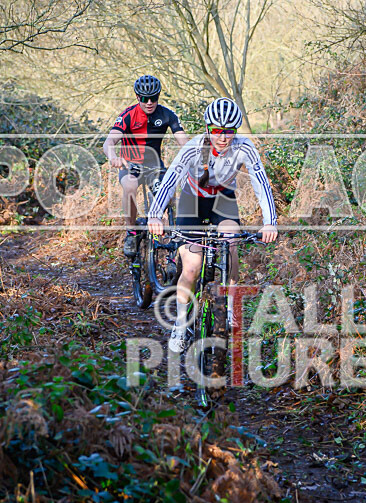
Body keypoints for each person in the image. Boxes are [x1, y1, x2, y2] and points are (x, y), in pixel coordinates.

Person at [147, 97, 278, 353]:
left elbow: (260, 182)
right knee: (192, 266)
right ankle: (181, 323)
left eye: (228, 131)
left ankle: (230, 308)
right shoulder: (194, 148)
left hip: (223, 199)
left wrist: (269, 222)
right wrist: (155, 215)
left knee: (232, 243)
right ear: (208, 129)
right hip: (192, 199)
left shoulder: (245, 147)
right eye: (217, 131)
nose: (223, 137)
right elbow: (172, 178)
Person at [102, 75, 188, 256]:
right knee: (130, 186)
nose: (149, 102)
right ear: (137, 97)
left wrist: (194, 157)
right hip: (130, 164)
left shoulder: (167, 115)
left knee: (168, 196)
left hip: (155, 167)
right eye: (144, 98)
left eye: (154, 98)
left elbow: (183, 141)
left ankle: (169, 236)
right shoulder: (128, 115)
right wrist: (113, 157)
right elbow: (109, 142)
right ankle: (131, 232)